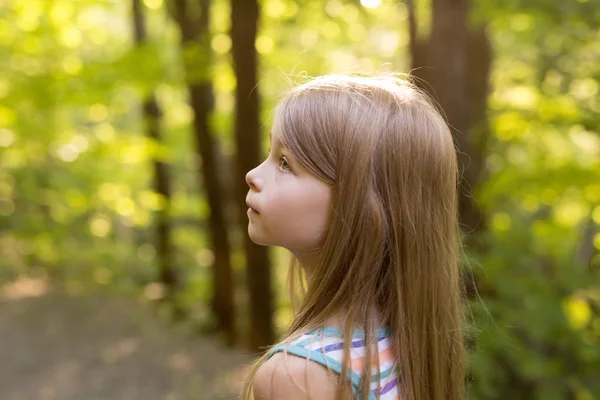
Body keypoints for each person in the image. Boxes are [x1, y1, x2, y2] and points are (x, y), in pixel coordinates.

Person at [241, 73, 466, 400]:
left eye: (285, 163)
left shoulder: (297, 377)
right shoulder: (408, 346)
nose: (252, 175)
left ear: (360, 209)